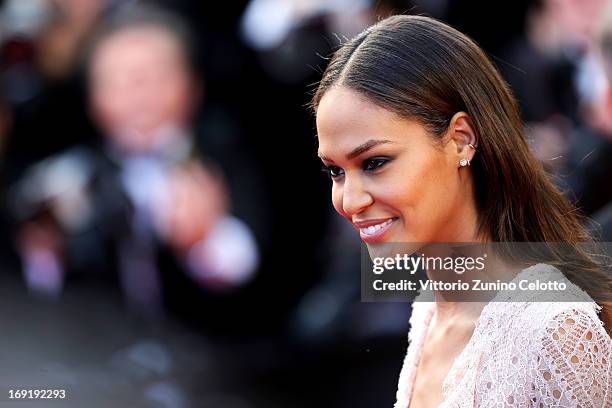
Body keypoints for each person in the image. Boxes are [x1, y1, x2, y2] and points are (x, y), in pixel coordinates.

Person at [311, 15, 611, 407]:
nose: (350, 202)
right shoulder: (429, 309)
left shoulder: (553, 329)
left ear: (461, 140)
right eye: (335, 171)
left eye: (374, 163)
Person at [9, 5, 261, 324]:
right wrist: (44, 249)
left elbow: (252, 266)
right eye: (119, 80)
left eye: (154, 77)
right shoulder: (72, 172)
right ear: (92, 98)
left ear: (192, 86)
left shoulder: (225, 151)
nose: (138, 94)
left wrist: (204, 241)